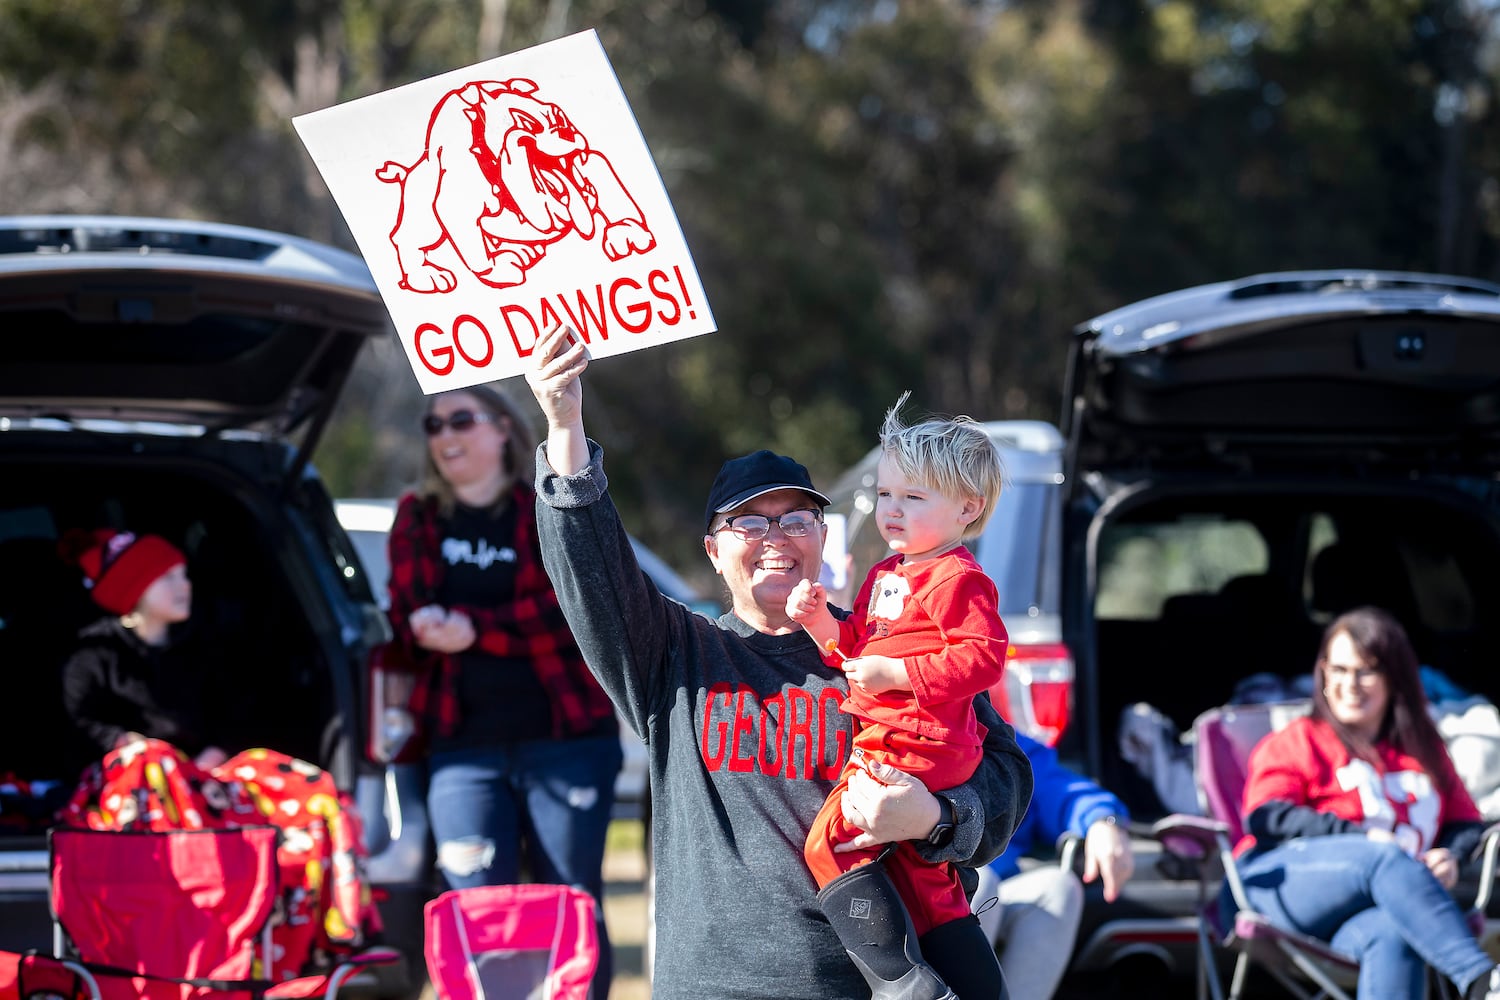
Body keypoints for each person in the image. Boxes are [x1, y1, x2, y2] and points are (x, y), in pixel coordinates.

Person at [524, 322, 1033, 1000]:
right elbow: (592, 569)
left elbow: (1005, 772)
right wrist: (565, 425)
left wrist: (937, 817)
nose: (775, 537)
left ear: (822, 537)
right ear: (712, 550)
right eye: (748, 522)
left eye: (796, 519)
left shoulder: (888, 646)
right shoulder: (674, 653)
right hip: (712, 985)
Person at [378, 383, 622, 998]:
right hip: (461, 750)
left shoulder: (542, 506)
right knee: (478, 913)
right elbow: (404, 615)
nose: (445, 436)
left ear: (502, 428)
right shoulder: (417, 516)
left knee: (572, 902)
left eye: (460, 419)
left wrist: (471, 630)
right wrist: (418, 627)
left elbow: (568, 610)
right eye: (433, 425)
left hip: (564, 742)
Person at [786, 393, 1009, 996]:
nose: (893, 510)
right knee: (925, 881)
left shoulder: (958, 578)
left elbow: (983, 658)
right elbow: (856, 653)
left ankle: (899, 982)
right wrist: (819, 625)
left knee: (831, 842)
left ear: (968, 509)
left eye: (914, 498)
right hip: (898, 734)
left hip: (920, 741)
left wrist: (899, 677)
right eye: (885, 495)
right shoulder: (887, 574)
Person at [1227, 605, 1500, 1000]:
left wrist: (1451, 856)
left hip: (1380, 904)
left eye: (1365, 670)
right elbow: (1267, 818)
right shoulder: (1301, 740)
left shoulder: (1422, 749)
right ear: (1322, 674)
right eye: (1337, 670)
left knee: (1394, 935)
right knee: (1382, 857)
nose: (1349, 684)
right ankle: (1481, 984)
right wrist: (1362, 838)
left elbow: (1466, 823)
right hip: (1279, 886)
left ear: (1396, 678)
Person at [971, 732, 1134, 1000]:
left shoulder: (993, 731)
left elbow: (1057, 788)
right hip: (916, 892)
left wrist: (1103, 820)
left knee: (1058, 889)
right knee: (980, 882)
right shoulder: (895, 724)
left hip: (994, 888)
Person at [59, 528, 229, 771]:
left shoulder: (202, 641)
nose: (185, 586)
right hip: (133, 778)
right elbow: (80, 724)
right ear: (134, 589)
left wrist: (210, 759)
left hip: (209, 772)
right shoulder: (93, 655)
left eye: (184, 575)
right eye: (168, 578)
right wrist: (122, 742)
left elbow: (233, 711)